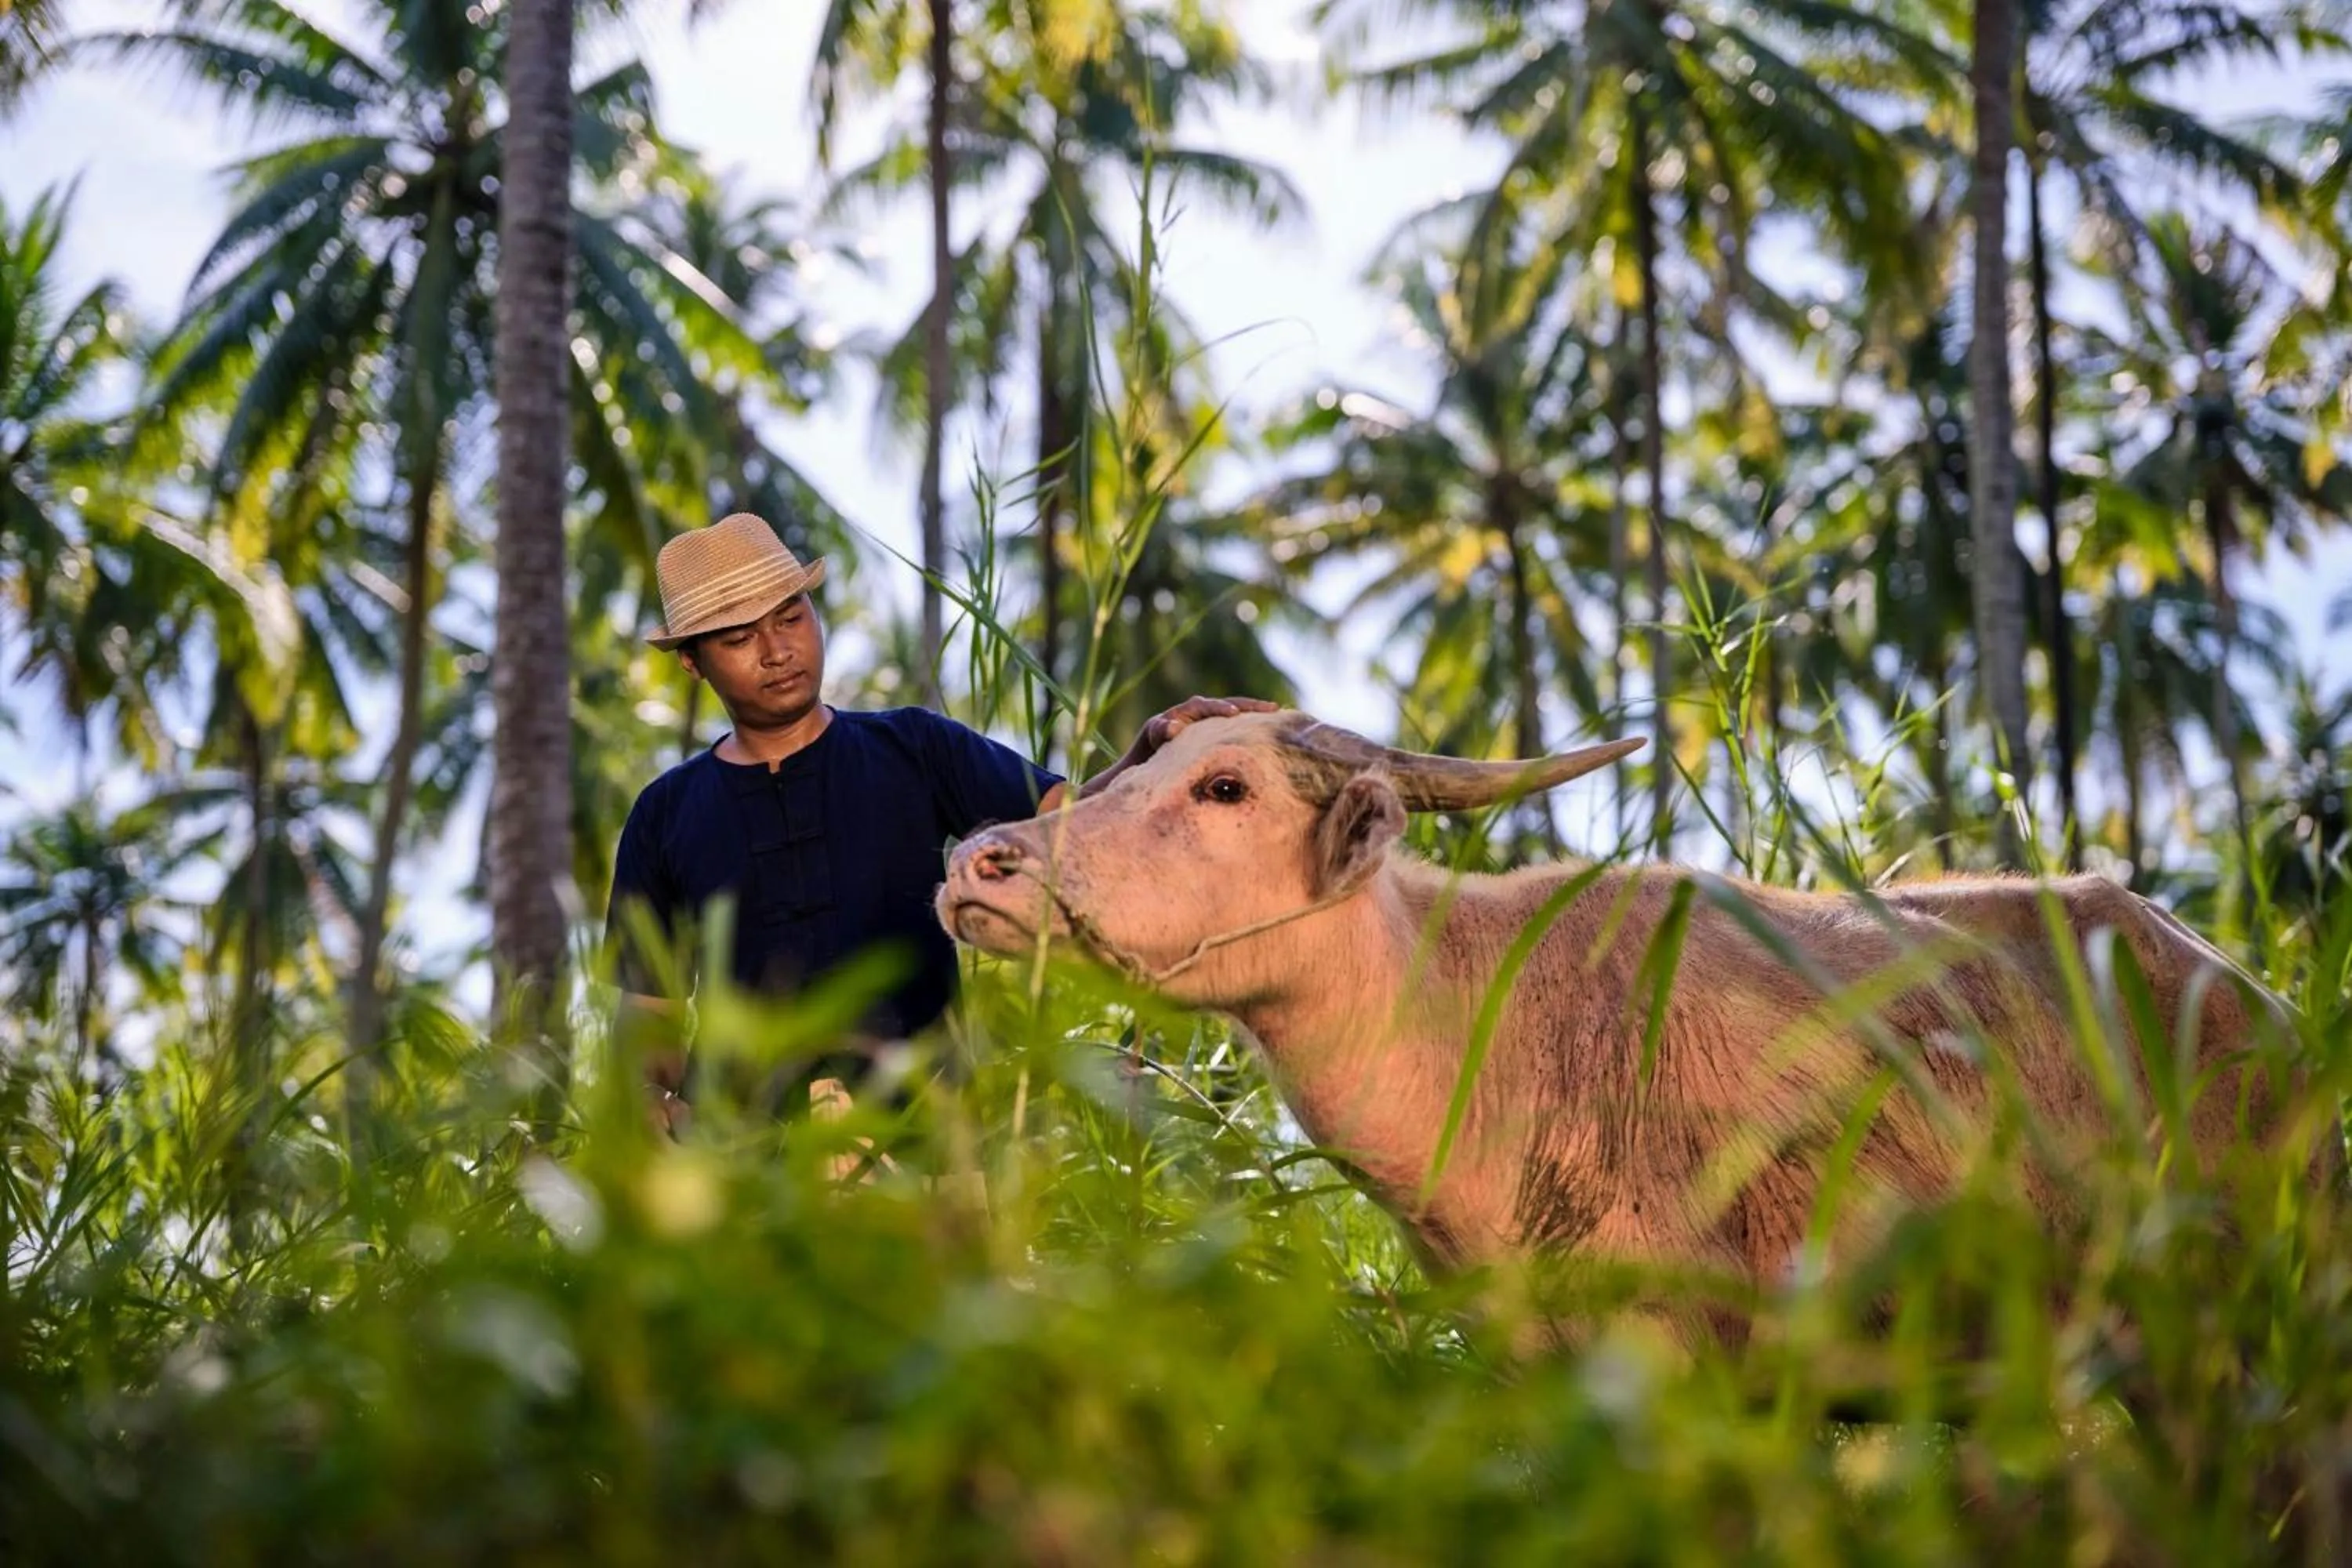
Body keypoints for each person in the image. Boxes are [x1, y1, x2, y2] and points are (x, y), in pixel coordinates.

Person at [604, 510, 1272, 1135]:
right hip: (745, 1175)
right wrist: (652, 1110)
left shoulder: (916, 748)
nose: (777, 650)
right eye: (739, 638)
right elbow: (650, 1025)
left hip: (933, 1154)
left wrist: (1151, 751)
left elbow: (1076, 827)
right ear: (693, 662)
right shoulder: (664, 815)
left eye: (791, 617)